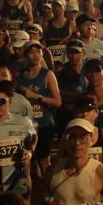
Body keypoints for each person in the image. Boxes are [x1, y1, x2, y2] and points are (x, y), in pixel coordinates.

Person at [45, 118, 103, 205]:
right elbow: (44, 197)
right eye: (72, 137)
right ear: (65, 141)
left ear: (92, 140)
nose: (77, 143)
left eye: (82, 138)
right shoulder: (53, 171)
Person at [15, 40, 61, 175]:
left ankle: (47, 186)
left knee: (44, 160)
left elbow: (58, 101)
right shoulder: (20, 76)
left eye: (38, 51)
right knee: (27, 161)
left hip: (44, 123)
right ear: (25, 55)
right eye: (31, 52)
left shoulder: (48, 74)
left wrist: (37, 96)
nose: (35, 55)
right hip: (26, 124)